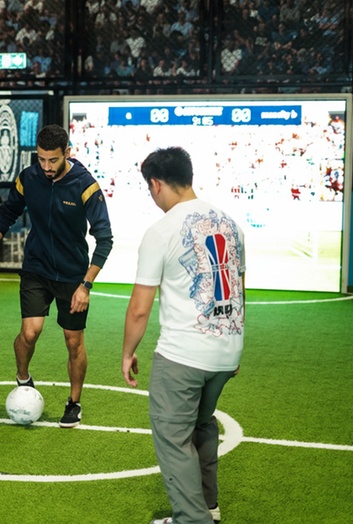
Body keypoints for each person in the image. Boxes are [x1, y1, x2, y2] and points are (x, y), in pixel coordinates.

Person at [120, 147, 245, 524]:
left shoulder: (161, 231)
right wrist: (235, 346)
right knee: (202, 425)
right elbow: (240, 290)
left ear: (156, 184)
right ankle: (208, 506)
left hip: (183, 355)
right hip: (226, 347)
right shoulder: (230, 223)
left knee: (173, 438)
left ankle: (193, 520)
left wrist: (128, 352)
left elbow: (140, 307)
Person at [0, 124, 113, 428]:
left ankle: (74, 403)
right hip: (36, 267)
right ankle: (24, 378)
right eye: (41, 159)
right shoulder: (28, 177)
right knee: (30, 333)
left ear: (67, 153)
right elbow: (7, 214)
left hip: (73, 275)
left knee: (73, 341)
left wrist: (85, 286)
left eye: (53, 160)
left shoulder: (85, 186)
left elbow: (105, 239)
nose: (46, 167)